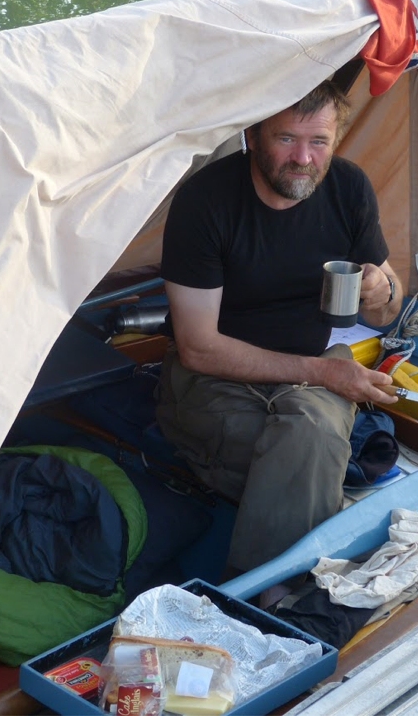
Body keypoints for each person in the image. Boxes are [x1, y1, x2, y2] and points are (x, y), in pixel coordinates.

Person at [155, 80, 403, 604]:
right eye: (287, 139)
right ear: (252, 134)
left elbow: (388, 304)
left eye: (319, 141)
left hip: (313, 370)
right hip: (215, 380)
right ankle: (275, 597)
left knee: (308, 435)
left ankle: (261, 591)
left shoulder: (349, 188)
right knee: (312, 443)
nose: (304, 158)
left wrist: (385, 289)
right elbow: (198, 347)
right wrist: (326, 374)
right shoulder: (205, 203)